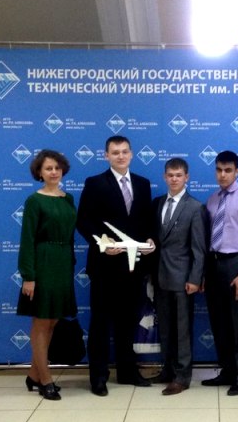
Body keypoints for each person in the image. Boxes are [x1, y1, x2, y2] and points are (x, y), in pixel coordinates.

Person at [77, 135, 156, 396]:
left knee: (128, 322)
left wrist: (150, 239)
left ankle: (127, 372)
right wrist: (102, 243)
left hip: (133, 267)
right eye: (115, 152)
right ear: (106, 156)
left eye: (124, 152)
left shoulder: (143, 184)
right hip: (104, 266)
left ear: (131, 154)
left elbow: (145, 221)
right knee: (100, 323)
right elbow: (84, 220)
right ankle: (98, 377)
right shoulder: (95, 183)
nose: (120, 156)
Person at [17, 149, 78, 401]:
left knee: (53, 321)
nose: (53, 172)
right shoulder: (34, 200)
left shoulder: (68, 198)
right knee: (41, 322)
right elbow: (27, 239)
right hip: (42, 263)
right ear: (39, 173)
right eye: (48, 168)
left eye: (57, 168)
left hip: (62, 264)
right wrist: (29, 276)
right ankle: (45, 379)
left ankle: (33, 374)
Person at [203, 150, 238, 395]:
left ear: (237, 171)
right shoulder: (212, 200)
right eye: (219, 170)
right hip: (214, 263)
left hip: (235, 264)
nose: (222, 174)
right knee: (218, 321)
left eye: (228, 170)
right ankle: (227, 370)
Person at [151, 158, 207, 395]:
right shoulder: (157, 203)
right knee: (165, 328)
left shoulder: (195, 207)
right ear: (165, 177)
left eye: (178, 175)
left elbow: (199, 249)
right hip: (160, 276)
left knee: (182, 330)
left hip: (183, 278)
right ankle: (168, 369)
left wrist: (195, 278)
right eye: (170, 175)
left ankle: (182, 376)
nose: (174, 179)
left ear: (187, 177)